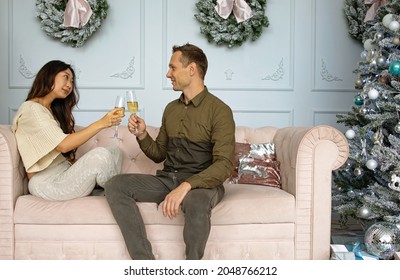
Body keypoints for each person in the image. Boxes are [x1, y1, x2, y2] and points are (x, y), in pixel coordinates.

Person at [105, 43, 236, 260]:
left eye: (173, 68)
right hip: (169, 179)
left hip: (202, 184)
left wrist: (187, 185)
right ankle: (145, 265)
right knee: (115, 185)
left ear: (191, 69)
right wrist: (142, 134)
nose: (168, 74)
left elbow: (224, 165)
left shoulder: (220, 111)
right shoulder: (171, 109)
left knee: (196, 201)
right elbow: (159, 154)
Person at [12, 60, 124, 201]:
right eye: (65, 77)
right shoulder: (32, 109)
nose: (70, 85)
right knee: (100, 155)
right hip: (47, 183)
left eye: (72, 81)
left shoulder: (50, 110)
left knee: (115, 151)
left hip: (64, 172)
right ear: (49, 75)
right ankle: (119, 193)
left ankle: (105, 191)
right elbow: (63, 145)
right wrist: (101, 123)